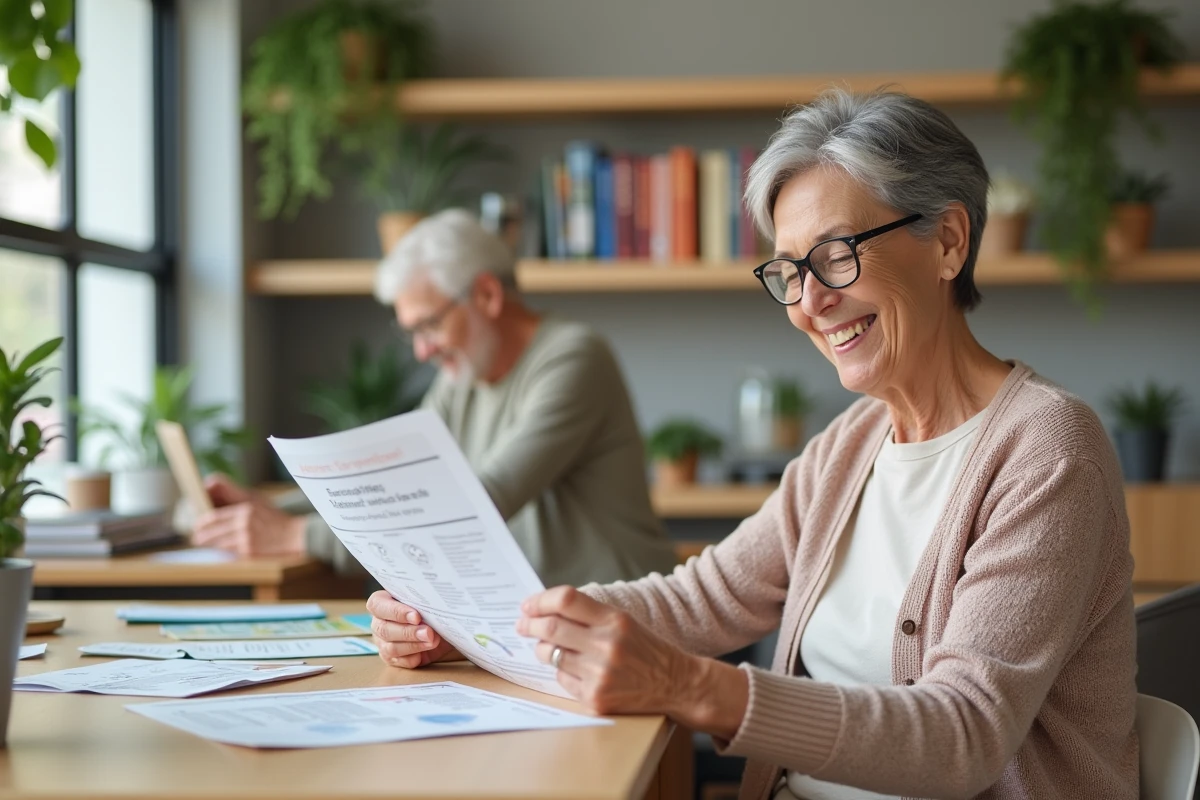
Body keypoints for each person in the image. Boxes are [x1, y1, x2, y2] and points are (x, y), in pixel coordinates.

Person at [367, 91, 1138, 799]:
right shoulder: (851, 446)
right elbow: (702, 599)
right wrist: (474, 625)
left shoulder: (1046, 450)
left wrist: (691, 686)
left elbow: (961, 736)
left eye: (836, 255)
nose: (810, 301)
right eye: (791, 271)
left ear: (948, 241)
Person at [194, 209, 677, 588]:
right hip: (543, 620)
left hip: (626, 616)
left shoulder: (573, 357)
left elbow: (477, 505)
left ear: (486, 295)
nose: (422, 351)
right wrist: (269, 507)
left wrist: (297, 536)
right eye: (412, 333)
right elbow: (395, 478)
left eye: (429, 325)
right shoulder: (461, 376)